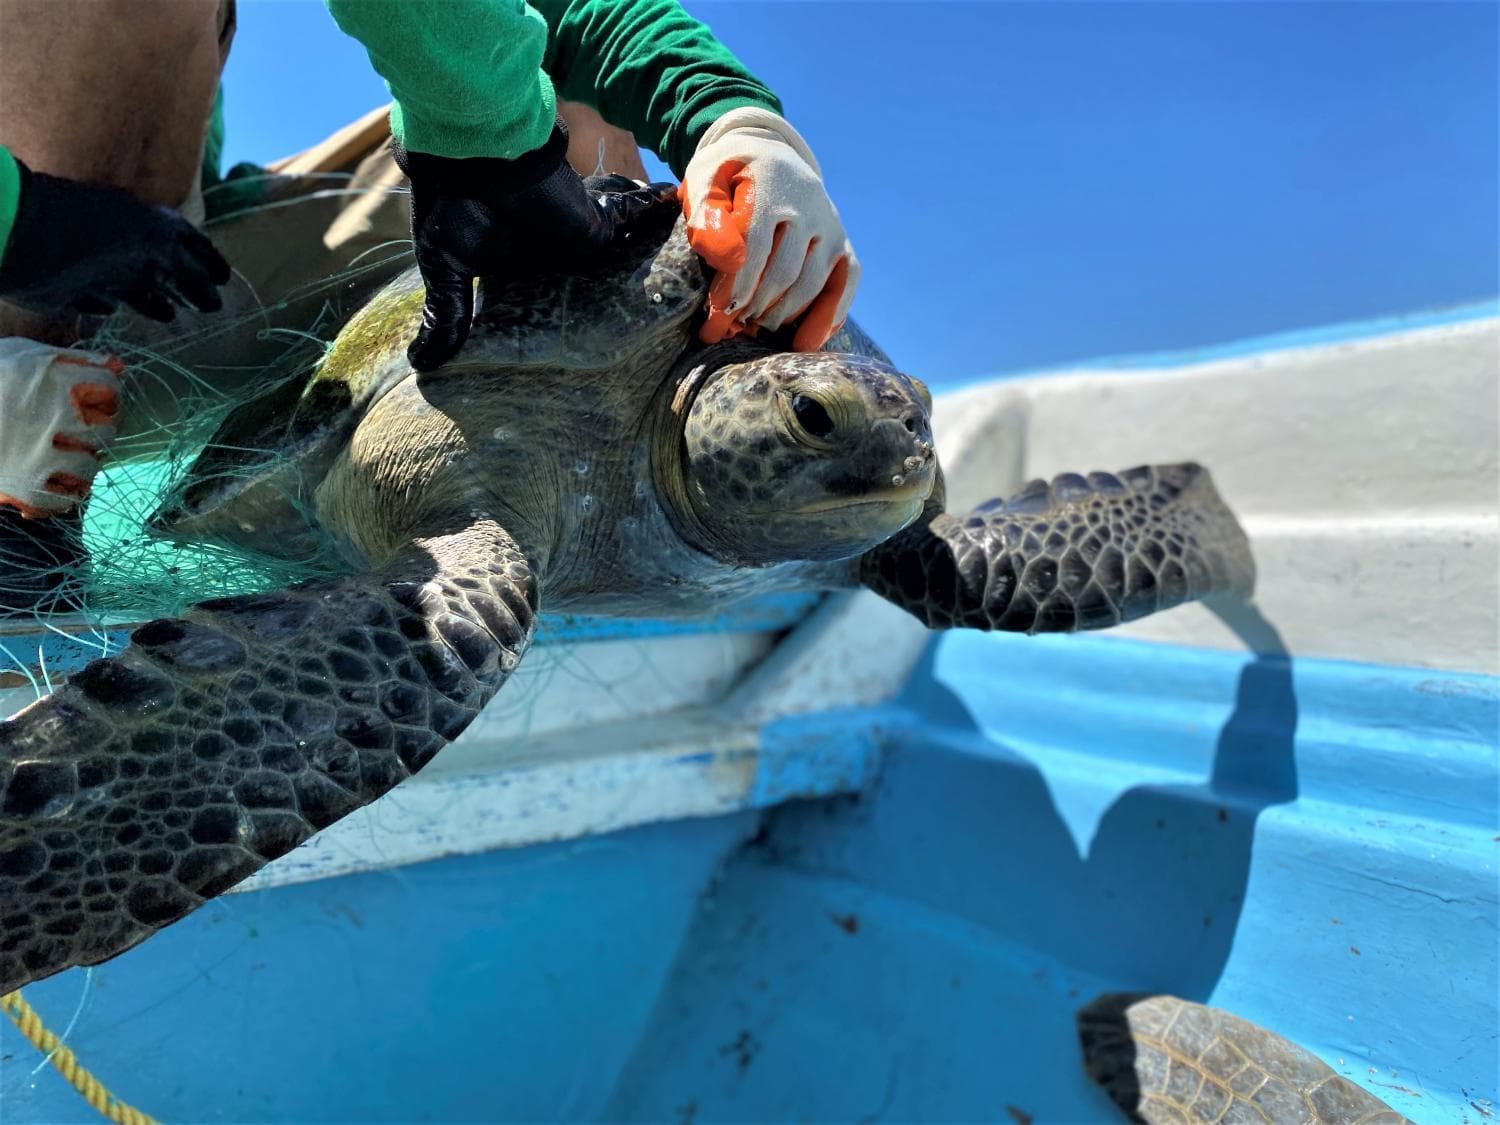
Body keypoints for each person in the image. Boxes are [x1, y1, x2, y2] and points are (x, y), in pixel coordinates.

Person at [0, 0, 860, 608]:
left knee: (555, 94)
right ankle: (14, 445)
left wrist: (738, 121)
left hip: (152, 273)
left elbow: (559, 13)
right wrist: (23, 223)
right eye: (813, 420)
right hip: (29, 282)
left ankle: (526, 496)